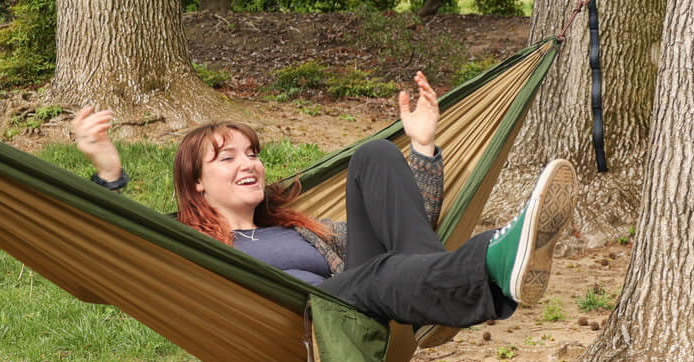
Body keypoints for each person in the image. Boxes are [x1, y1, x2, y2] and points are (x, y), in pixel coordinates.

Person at [68, 71, 576, 330]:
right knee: (382, 274)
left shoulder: (300, 228)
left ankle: (477, 272)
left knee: (376, 154)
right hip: (312, 320)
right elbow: (105, 260)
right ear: (196, 184)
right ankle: (493, 259)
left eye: (251, 153)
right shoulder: (187, 245)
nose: (248, 164)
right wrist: (108, 171)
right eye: (226, 159)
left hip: (366, 289)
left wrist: (420, 145)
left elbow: (410, 233)